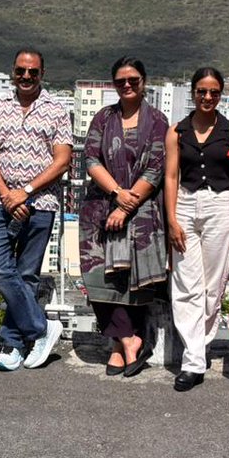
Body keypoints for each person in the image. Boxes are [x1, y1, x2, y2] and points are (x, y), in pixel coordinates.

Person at [0, 48, 73, 371]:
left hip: (41, 205)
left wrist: (26, 192)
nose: (26, 76)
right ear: (13, 72)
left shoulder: (57, 110)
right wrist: (8, 195)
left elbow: (62, 160)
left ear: (42, 74)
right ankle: (41, 328)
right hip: (2, 203)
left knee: (26, 275)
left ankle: (13, 344)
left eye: (33, 72)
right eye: (21, 70)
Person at [78, 57, 169, 378]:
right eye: (120, 81)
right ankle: (126, 341)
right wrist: (117, 193)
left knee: (132, 282)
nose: (127, 85)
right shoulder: (103, 118)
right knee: (99, 279)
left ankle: (125, 343)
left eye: (133, 80)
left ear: (144, 81)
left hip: (141, 214)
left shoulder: (158, 121)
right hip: (99, 210)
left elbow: (156, 168)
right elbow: (90, 158)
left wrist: (127, 205)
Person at [164, 67, 229, 392]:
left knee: (214, 285)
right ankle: (194, 361)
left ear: (221, 94)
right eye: (201, 91)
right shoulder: (177, 132)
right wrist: (171, 219)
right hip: (184, 204)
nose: (207, 97)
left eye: (213, 92)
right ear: (193, 93)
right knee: (185, 283)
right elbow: (171, 176)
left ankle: (198, 349)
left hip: (221, 206)